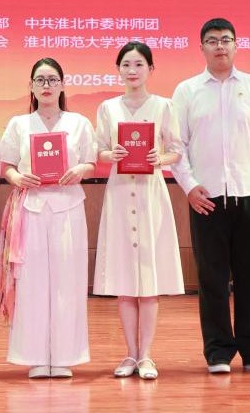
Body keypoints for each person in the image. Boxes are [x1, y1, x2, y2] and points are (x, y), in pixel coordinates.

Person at [171, 18, 250, 375]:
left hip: (249, 193)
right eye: (212, 40)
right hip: (206, 198)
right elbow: (177, 145)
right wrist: (189, 186)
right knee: (212, 279)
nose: (219, 46)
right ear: (201, 47)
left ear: (236, 45)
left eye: (225, 40)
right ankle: (218, 351)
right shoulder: (187, 91)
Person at [0, 58, 96, 379]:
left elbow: (91, 163)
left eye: (53, 80)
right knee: (32, 283)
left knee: (69, 281)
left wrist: (80, 170)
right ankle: (35, 357)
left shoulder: (79, 123)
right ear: (30, 86)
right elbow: (7, 166)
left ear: (63, 85)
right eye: (40, 80)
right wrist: (17, 178)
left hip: (69, 207)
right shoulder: (19, 124)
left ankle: (65, 356)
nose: (46, 86)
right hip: (32, 209)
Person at [93, 42, 185, 381]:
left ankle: (146, 355)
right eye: (126, 65)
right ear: (118, 69)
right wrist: (111, 155)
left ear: (150, 69)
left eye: (139, 64)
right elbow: (99, 150)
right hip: (119, 194)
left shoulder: (164, 106)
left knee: (148, 278)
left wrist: (161, 158)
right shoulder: (108, 108)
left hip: (150, 195)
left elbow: (176, 150)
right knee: (125, 280)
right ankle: (130, 353)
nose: (132, 71)